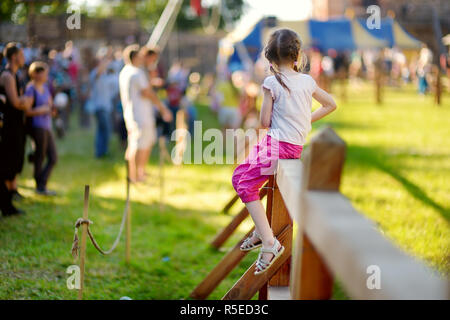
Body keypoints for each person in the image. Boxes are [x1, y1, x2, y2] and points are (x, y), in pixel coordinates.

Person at [231, 29, 337, 275]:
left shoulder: (271, 82)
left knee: (242, 182)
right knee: (243, 173)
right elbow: (331, 104)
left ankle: (270, 243)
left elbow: (265, 121)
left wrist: (267, 97)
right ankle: (261, 231)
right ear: (298, 55)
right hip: (292, 145)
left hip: (278, 144)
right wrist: (305, 120)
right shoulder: (308, 81)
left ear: (269, 59)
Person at [119, 45, 172, 182]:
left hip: (134, 113)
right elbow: (146, 92)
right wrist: (163, 109)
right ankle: (136, 175)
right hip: (140, 115)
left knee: (138, 144)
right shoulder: (136, 73)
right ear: (135, 57)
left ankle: (136, 174)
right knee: (139, 145)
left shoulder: (126, 71)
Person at [0, 42, 33, 216]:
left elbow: (22, 100)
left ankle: (12, 196)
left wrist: (24, 101)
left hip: (17, 125)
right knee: (8, 162)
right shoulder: (7, 75)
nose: (24, 57)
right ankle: (6, 204)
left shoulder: (17, 74)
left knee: (17, 159)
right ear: (14, 56)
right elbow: (16, 102)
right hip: (9, 127)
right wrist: (25, 102)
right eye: (21, 54)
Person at [25, 61, 58, 195]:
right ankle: (39, 186)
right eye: (44, 73)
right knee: (40, 156)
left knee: (53, 157)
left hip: (47, 126)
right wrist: (42, 110)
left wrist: (52, 110)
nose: (46, 76)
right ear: (36, 74)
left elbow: (50, 106)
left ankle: (41, 182)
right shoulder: (30, 89)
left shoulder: (45, 87)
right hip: (37, 126)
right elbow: (27, 111)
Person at [89, 56, 118, 158]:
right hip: (100, 107)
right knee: (105, 130)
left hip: (106, 107)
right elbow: (99, 71)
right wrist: (105, 62)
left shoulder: (107, 76)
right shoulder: (94, 74)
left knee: (103, 130)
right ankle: (101, 152)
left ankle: (102, 151)